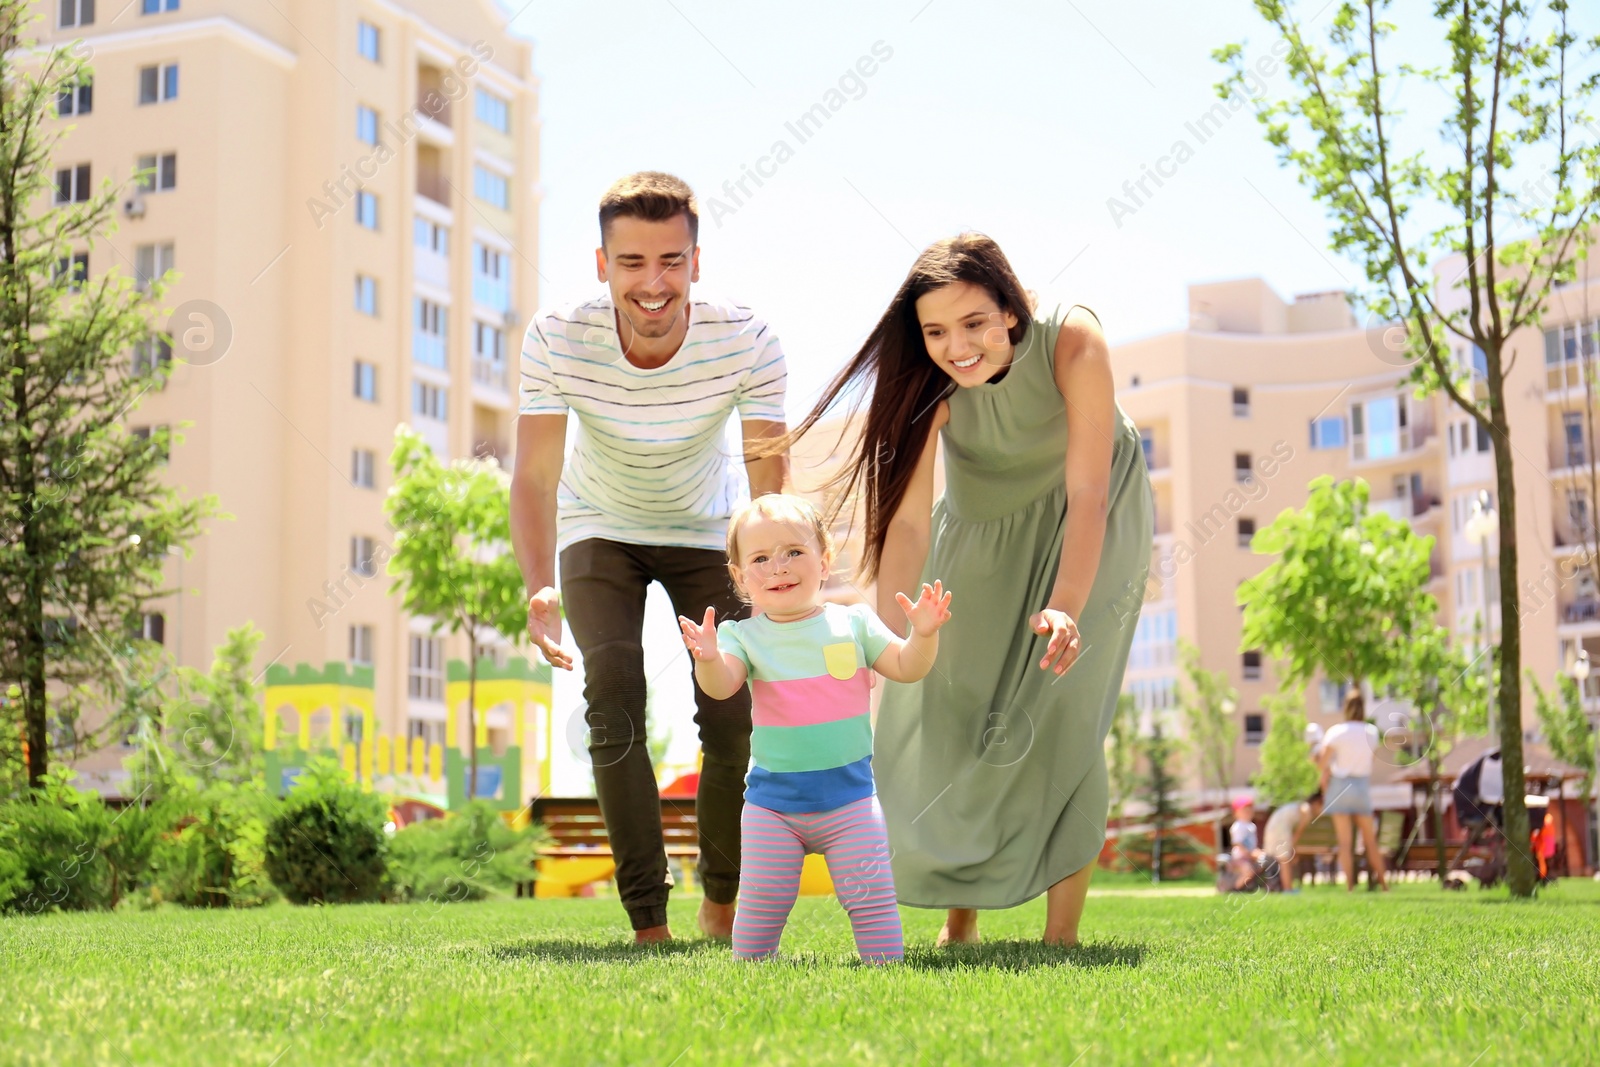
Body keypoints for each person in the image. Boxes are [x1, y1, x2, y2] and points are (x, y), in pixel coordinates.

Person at [781, 232, 1154, 946]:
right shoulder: (932, 385)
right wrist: (889, 642)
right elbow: (913, 530)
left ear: (1011, 310)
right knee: (952, 702)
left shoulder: (1073, 340)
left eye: (975, 322)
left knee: (1063, 704)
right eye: (936, 331)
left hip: (1093, 521)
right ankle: (961, 923)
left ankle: (1062, 933)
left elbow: (1087, 489)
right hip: (979, 528)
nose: (957, 346)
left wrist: (1067, 603)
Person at [510, 172, 789, 943]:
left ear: (696, 260)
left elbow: (767, 474)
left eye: (671, 259)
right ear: (603, 265)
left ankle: (722, 901)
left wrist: (770, 585)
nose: (653, 282)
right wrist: (540, 584)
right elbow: (534, 476)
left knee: (732, 716)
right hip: (600, 526)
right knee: (615, 692)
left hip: (707, 528)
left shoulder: (748, 338)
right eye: (632, 262)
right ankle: (647, 919)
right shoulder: (558, 335)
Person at [677, 494, 953, 962]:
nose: (778, 567)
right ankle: (754, 975)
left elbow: (908, 667)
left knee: (872, 903)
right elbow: (722, 686)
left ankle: (886, 973)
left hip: (850, 803)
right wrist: (706, 660)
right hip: (772, 808)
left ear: (824, 562)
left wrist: (924, 634)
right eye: (760, 559)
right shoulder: (742, 636)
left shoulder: (855, 624)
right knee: (763, 904)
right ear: (741, 579)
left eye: (793, 552)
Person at [1317, 691, 1390, 892]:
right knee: (1370, 841)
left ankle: (1350, 887)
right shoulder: (1372, 732)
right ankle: (1384, 885)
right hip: (1361, 786)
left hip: (1340, 786)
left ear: (1345, 707)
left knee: (1345, 842)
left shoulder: (1336, 731)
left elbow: (1322, 763)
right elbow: (1371, 759)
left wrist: (1330, 769)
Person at [1262, 791, 1323, 892]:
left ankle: (1284, 888)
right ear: (1317, 803)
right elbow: (1300, 830)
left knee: (1282, 859)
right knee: (1284, 860)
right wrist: (1292, 846)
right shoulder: (1306, 809)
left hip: (1273, 827)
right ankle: (1288, 889)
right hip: (1280, 828)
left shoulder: (1298, 806)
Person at [1227, 797, 1261, 891]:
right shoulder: (1238, 826)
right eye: (1244, 810)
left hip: (1250, 855)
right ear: (1236, 813)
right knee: (1248, 871)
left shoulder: (1251, 826)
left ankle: (1254, 886)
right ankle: (1235, 889)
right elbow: (1237, 843)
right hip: (1240, 857)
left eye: (1250, 810)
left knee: (1262, 864)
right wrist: (1249, 854)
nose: (1248, 812)